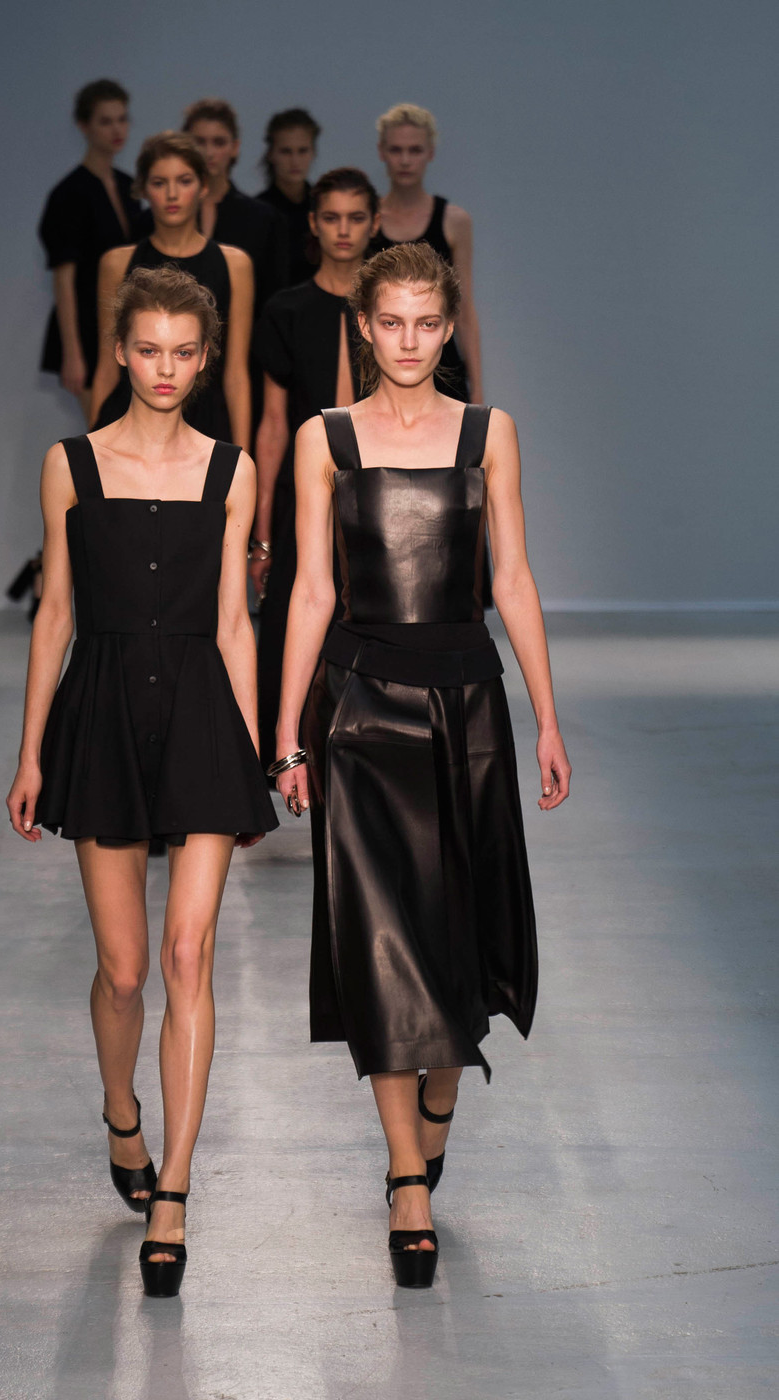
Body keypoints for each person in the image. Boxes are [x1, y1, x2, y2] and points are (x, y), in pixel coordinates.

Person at [272, 242, 570, 1289]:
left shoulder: (490, 433)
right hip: (360, 711)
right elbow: (312, 588)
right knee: (382, 941)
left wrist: (547, 717)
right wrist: (287, 732)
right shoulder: (324, 437)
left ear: (448, 328)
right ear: (363, 324)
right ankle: (407, 1174)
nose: (407, 341)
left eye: (426, 323)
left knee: (463, 936)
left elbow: (513, 577)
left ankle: (439, 1100)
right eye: (389, 322)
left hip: (468, 709)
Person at [6, 265, 277, 1299]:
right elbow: (55, 612)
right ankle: (121, 1112)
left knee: (186, 953)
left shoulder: (231, 470)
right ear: (121, 352)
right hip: (105, 714)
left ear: (205, 362)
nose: (165, 368)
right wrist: (31, 751)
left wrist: (254, 751)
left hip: (202, 713)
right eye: (149, 349)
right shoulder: (71, 463)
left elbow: (233, 621)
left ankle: (173, 1188)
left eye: (184, 352)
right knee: (123, 971)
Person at [251, 167, 379, 770]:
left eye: (356, 217)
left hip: (381, 491)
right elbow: (273, 424)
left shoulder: (394, 311)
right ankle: (287, 754)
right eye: (331, 217)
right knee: (288, 621)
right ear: (312, 223)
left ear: (375, 222)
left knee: (374, 619)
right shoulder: (286, 309)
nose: (343, 230)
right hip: (302, 490)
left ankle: (365, 753)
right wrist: (262, 535)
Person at [89, 133, 252, 450]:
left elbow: (236, 373)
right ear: (143, 189)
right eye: (159, 183)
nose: (172, 194)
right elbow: (107, 368)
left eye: (184, 181)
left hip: (207, 420)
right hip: (128, 421)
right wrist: (92, 452)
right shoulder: (115, 264)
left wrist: (243, 458)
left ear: (203, 186)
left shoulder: (235, 265)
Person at [39, 79, 145, 419]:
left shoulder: (130, 187)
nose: (117, 129)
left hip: (126, 324)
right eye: (106, 121)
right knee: (103, 432)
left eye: (122, 119)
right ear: (84, 126)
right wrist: (73, 353)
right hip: (86, 328)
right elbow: (64, 280)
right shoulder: (68, 194)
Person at [371, 103, 483, 404]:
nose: (405, 160)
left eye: (415, 150)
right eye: (396, 150)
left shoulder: (454, 221)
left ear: (430, 153)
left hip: (443, 369)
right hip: (377, 368)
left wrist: (477, 388)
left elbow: (464, 308)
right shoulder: (367, 220)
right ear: (382, 152)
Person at [182, 98, 289, 318]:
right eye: (199, 142)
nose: (209, 152)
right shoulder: (158, 220)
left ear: (235, 147)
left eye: (219, 142)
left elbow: (274, 300)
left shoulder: (263, 219)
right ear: (184, 146)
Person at [256, 108, 321, 286]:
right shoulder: (256, 214)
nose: (295, 161)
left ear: (313, 152)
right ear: (271, 154)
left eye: (302, 151)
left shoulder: (325, 208)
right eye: (286, 151)